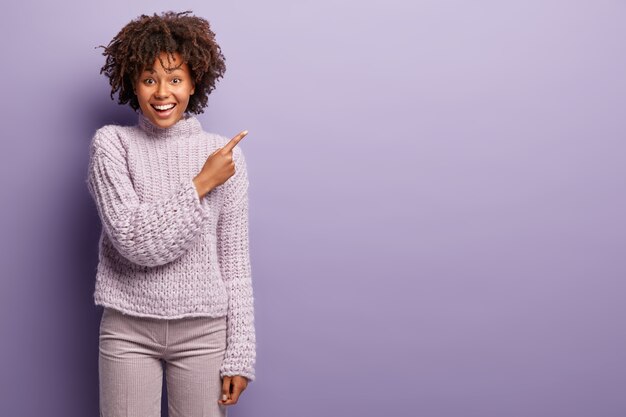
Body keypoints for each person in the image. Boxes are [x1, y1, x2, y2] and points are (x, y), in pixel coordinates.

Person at [86, 10, 256, 417]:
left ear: (194, 82)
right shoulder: (111, 145)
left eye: (175, 79)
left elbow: (234, 262)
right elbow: (132, 240)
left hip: (205, 331)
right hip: (128, 328)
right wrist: (200, 184)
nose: (162, 92)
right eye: (149, 79)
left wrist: (240, 353)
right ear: (133, 84)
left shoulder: (224, 156)